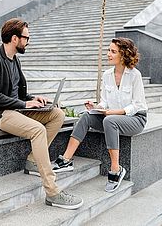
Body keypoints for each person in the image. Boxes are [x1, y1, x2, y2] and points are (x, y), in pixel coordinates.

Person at [0, 18, 83, 209]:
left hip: (16, 109)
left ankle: (33, 161)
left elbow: (19, 93)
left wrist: (36, 98)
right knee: (37, 130)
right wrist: (24, 103)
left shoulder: (15, 61)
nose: (28, 42)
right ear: (15, 38)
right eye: (26, 38)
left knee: (57, 114)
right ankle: (52, 191)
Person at [52, 37, 148, 193]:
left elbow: (136, 105)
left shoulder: (134, 75)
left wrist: (112, 112)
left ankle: (116, 170)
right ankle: (66, 160)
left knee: (110, 121)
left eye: (113, 51)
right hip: (112, 118)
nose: (108, 54)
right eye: (108, 50)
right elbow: (104, 102)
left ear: (123, 54)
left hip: (136, 119)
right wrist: (97, 107)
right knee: (86, 116)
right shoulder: (107, 75)